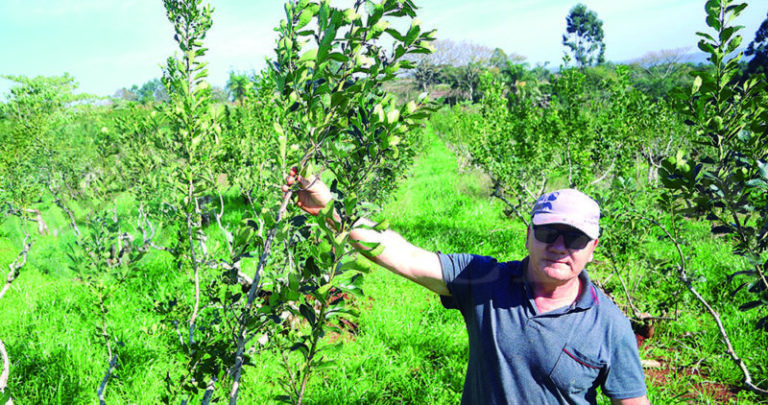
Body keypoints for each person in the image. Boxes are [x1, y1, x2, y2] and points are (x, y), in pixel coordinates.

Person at [283, 168, 650, 405]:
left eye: (574, 238)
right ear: (528, 235)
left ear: (592, 249)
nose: (558, 246)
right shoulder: (486, 280)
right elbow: (401, 254)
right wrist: (329, 206)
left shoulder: (609, 324)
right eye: (548, 232)